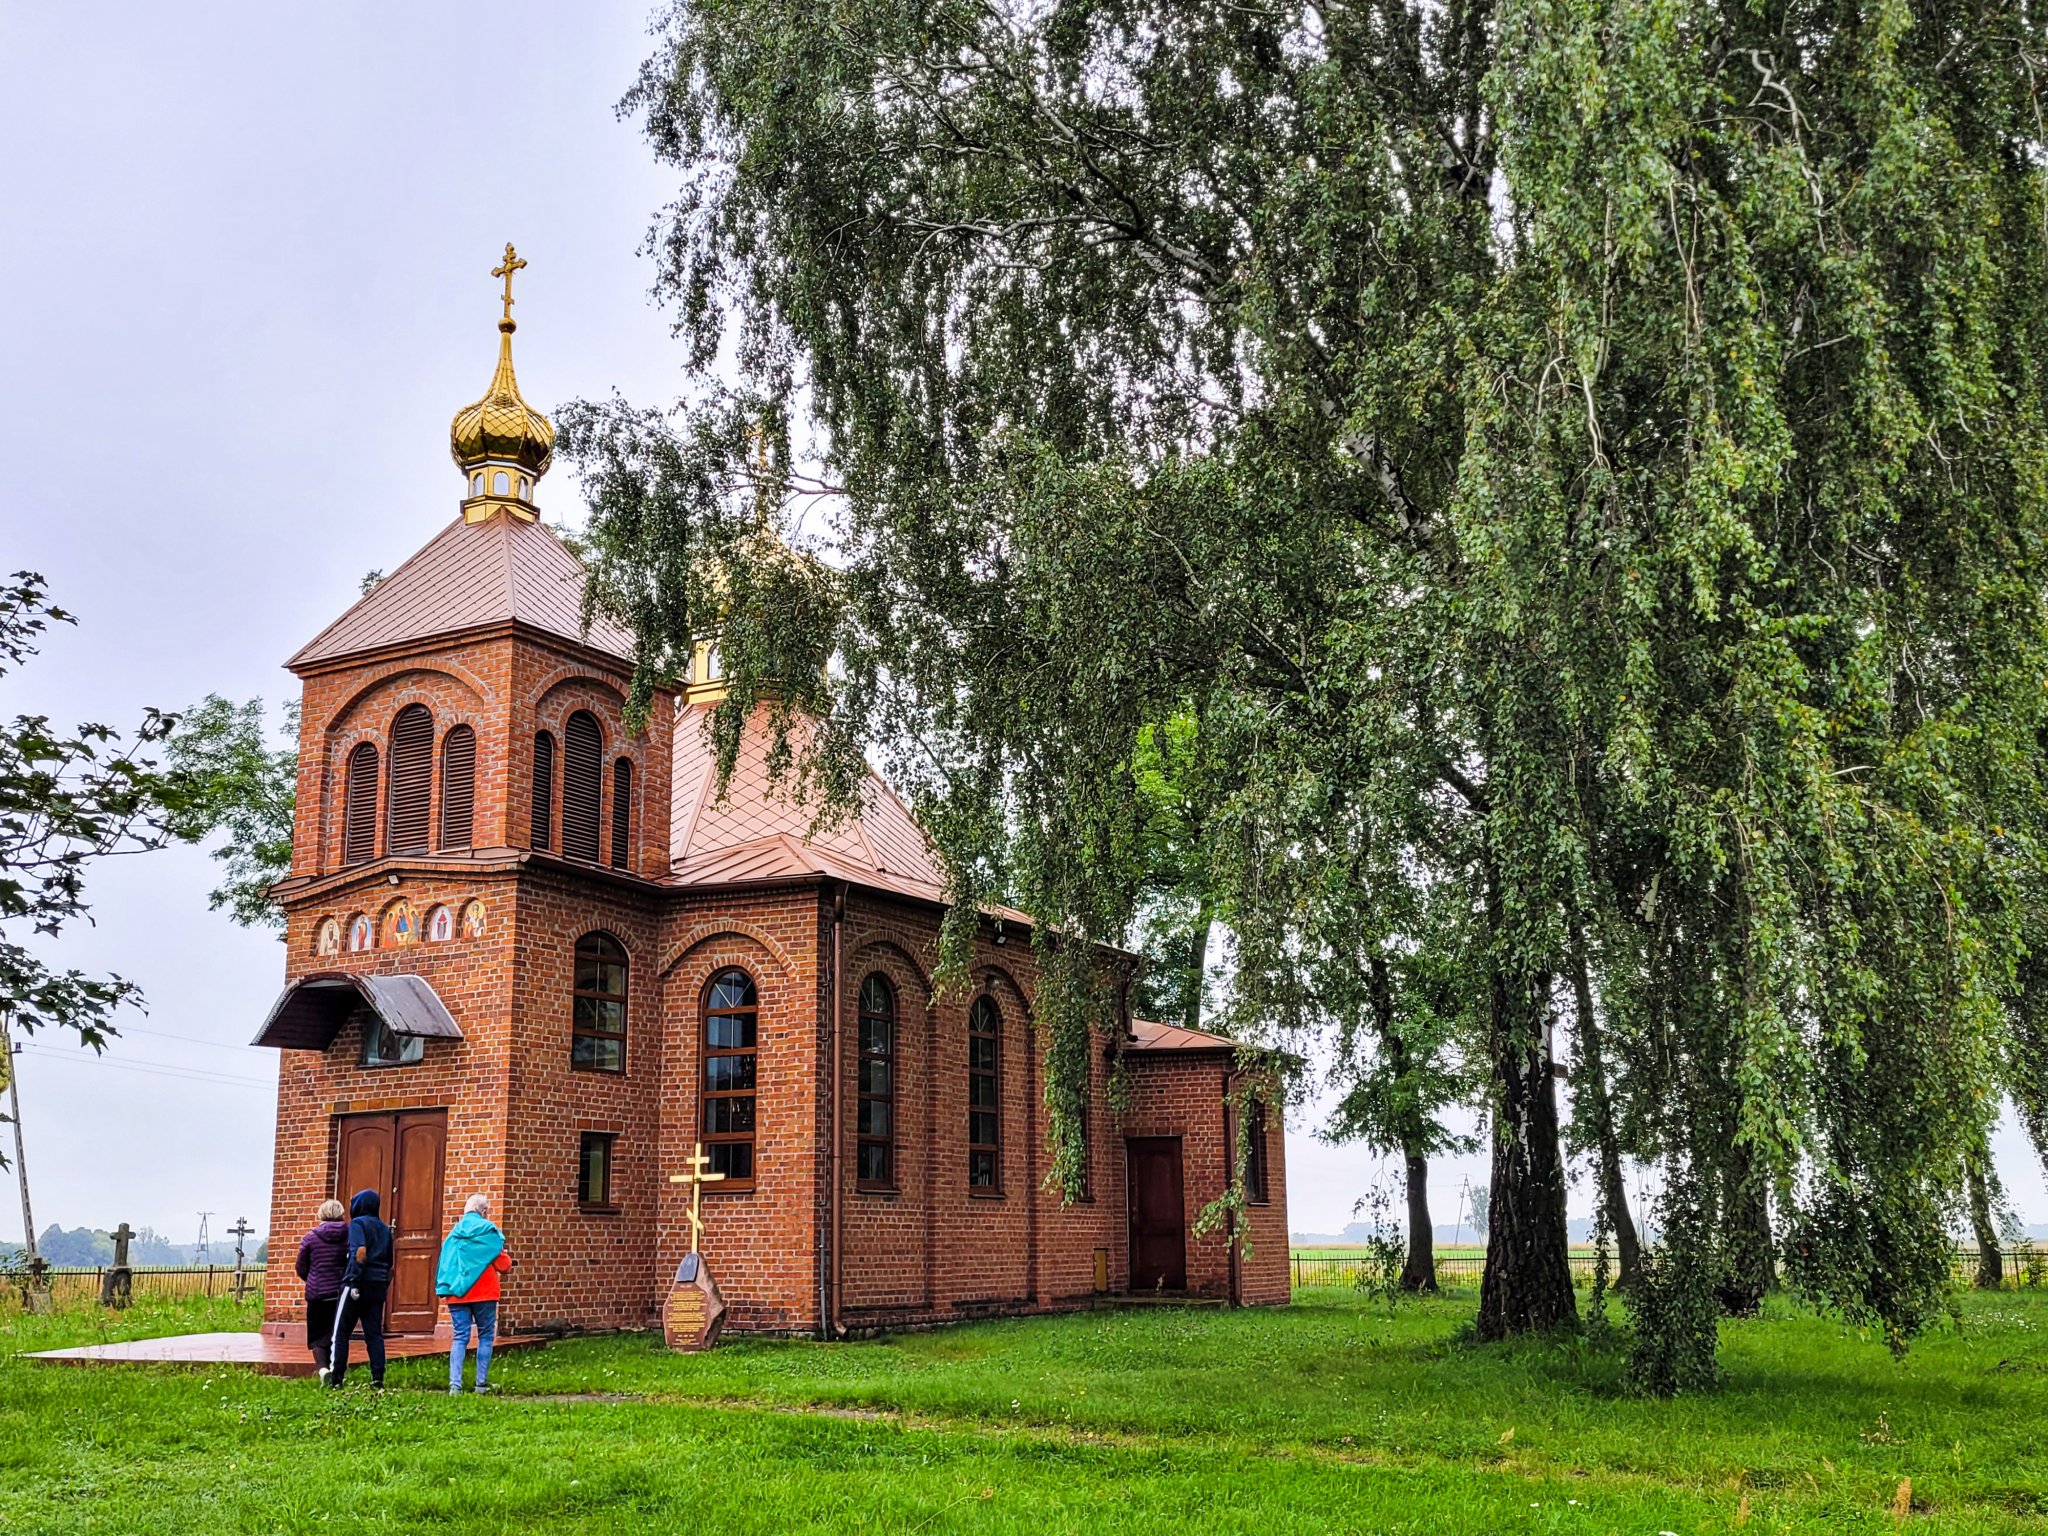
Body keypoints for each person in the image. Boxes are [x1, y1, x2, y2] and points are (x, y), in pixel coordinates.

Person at [435, 1193, 511, 1394]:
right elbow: (504, 1266)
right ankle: (481, 1385)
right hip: (484, 1293)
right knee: (486, 1335)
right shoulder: (489, 1232)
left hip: (457, 1293)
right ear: (483, 1211)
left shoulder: (452, 1235)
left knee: (460, 1336)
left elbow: (445, 1265)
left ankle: (455, 1386)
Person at [325, 1188, 392, 1388]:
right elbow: (390, 1267)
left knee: (341, 1332)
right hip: (378, 1285)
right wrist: (381, 1285)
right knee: (374, 1333)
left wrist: (354, 1280)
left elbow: (360, 1252)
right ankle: (377, 1378)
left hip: (357, 1283)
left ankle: (336, 1378)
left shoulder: (357, 1223)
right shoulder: (385, 1229)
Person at [294, 1199, 348, 1378]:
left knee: (317, 1335)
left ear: (321, 1214)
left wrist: (310, 1279)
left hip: (317, 1293)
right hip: (340, 1292)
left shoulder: (310, 1237)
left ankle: (323, 1369)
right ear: (341, 1213)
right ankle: (336, 1368)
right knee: (338, 1332)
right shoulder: (349, 1234)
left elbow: (301, 1266)